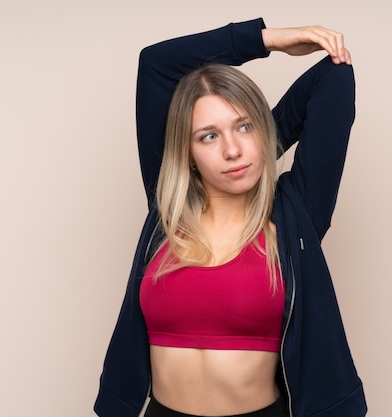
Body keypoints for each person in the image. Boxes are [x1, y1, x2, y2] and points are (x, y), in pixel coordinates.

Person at [95, 18, 366, 417]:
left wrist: (259, 144)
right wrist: (266, 40)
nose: (232, 150)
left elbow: (334, 78)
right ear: (185, 151)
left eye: (244, 127)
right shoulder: (167, 208)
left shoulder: (296, 214)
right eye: (209, 136)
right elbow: (155, 63)